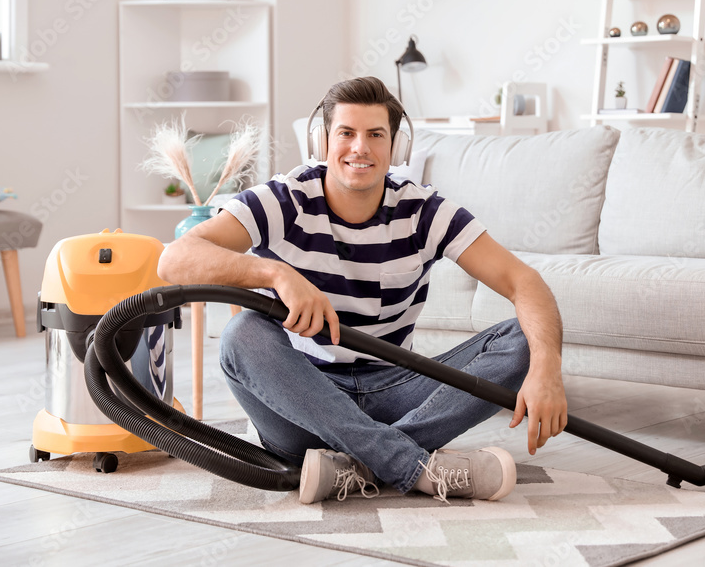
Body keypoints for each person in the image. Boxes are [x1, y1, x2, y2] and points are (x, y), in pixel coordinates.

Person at [158, 76, 568, 504]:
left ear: (397, 147)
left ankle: (354, 466)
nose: (361, 148)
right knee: (242, 335)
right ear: (322, 143)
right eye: (347, 134)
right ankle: (411, 465)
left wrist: (547, 366)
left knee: (523, 340)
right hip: (302, 402)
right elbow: (174, 259)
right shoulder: (284, 200)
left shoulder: (425, 211)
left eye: (375, 135)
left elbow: (525, 282)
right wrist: (278, 275)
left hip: (396, 388)